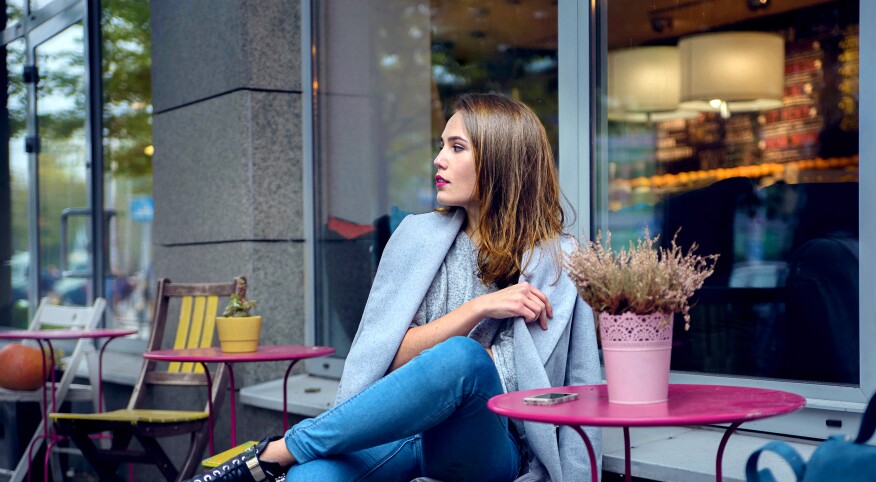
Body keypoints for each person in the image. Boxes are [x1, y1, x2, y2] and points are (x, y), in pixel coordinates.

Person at [187, 93, 602, 482]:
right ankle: (284, 459)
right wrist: (479, 309)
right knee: (310, 477)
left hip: (487, 442)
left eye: (456, 148)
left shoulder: (555, 262)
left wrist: (443, 353)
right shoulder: (417, 238)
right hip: (402, 431)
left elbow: (507, 378)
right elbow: (387, 358)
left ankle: (277, 451)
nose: (438, 160)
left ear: (500, 160)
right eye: (442, 146)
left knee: (463, 357)